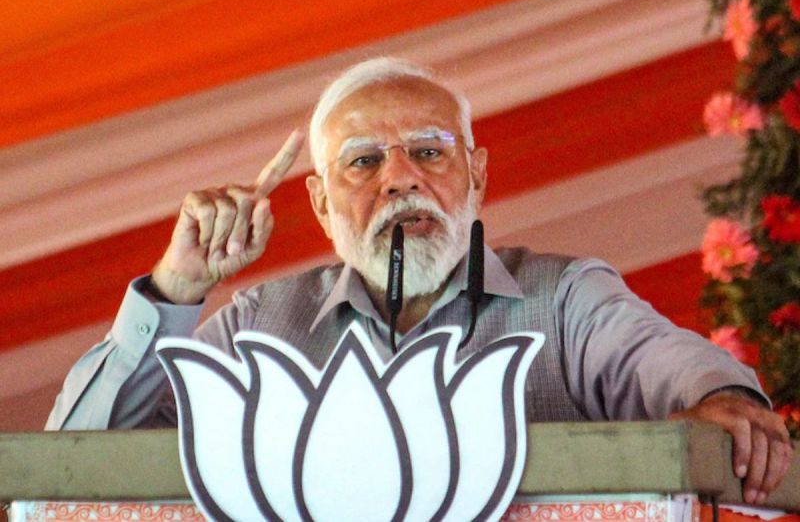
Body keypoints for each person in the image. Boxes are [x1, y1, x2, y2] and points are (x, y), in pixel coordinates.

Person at [47, 58, 792, 503]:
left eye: (430, 152)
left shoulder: (564, 299)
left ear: (478, 175)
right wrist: (175, 286)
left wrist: (722, 401)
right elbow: (68, 467)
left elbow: (693, 380)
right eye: (364, 161)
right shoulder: (258, 324)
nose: (400, 178)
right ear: (320, 204)